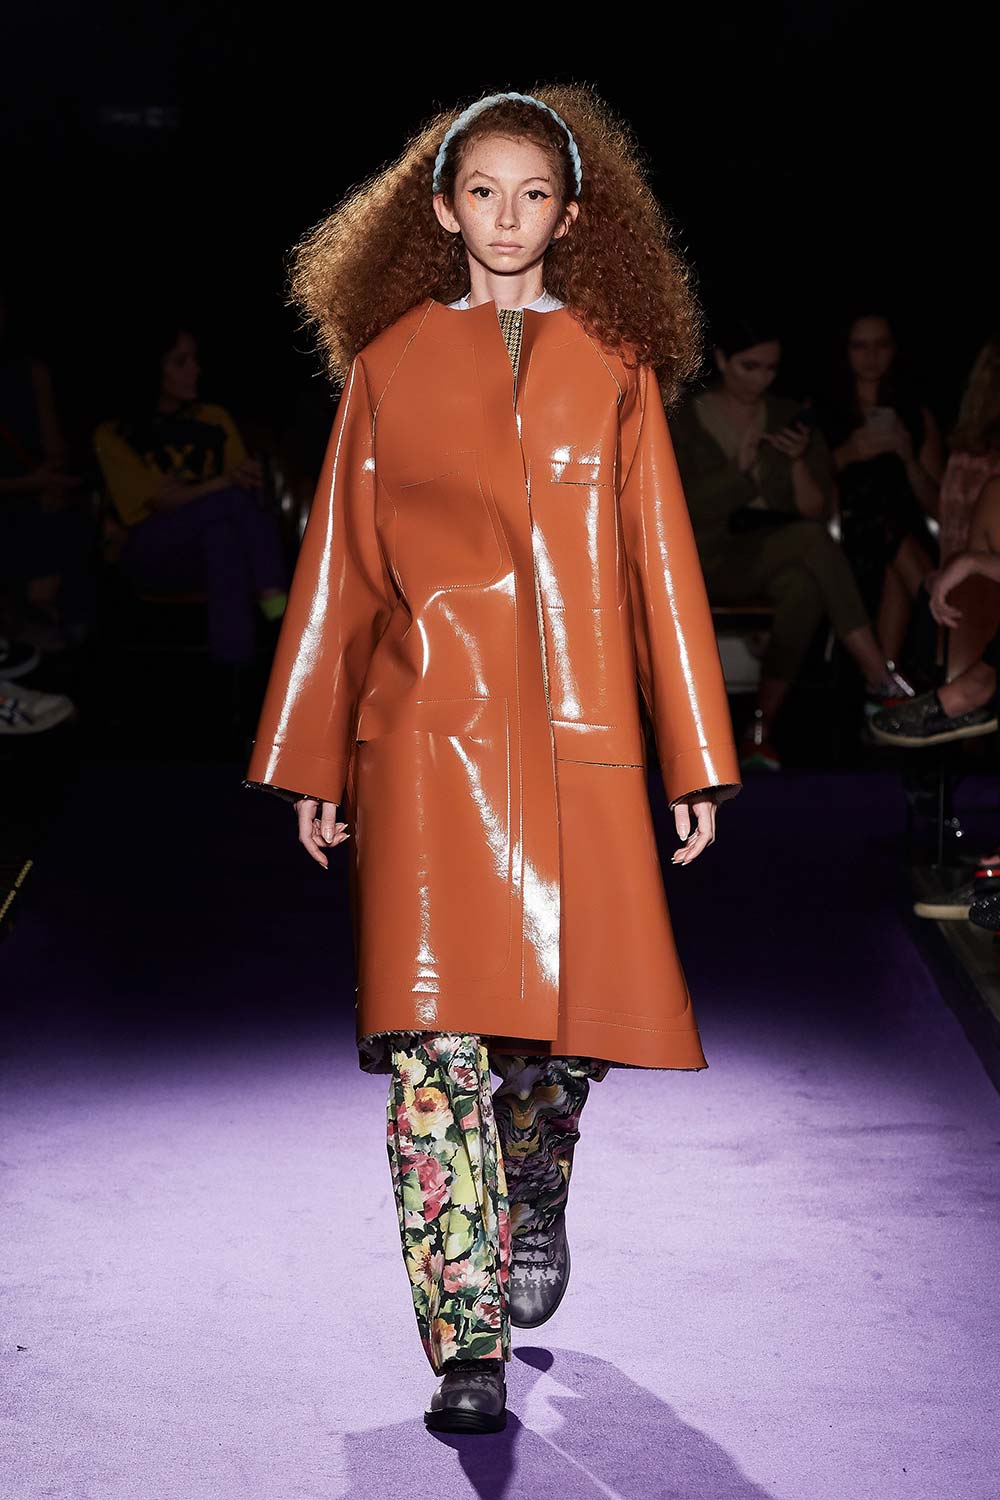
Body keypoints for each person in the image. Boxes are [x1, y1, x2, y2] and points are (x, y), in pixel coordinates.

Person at [242, 87, 742, 1434]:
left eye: (534, 195)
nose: (508, 217)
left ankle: (536, 1185)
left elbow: (659, 566)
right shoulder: (391, 363)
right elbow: (340, 572)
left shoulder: (617, 367)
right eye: (483, 192)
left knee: (555, 1048)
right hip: (424, 740)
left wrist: (695, 756)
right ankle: (464, 1341)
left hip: (582, 739)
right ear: (442, 207)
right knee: (432, 1044)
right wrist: (313, 760)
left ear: (574, 216)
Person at [670, 317, 915, 771]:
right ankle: (880, 678)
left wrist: (799, 461)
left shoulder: (786, 414)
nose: (761, 379)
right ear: (722, 360)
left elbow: (816, 510)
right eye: (750, 367)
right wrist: (742, 471)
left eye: (770, 368)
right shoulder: (685, 418)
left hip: (771, 550)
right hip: (703, 558)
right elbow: (680, 507)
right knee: (808, 551)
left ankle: (759, 730)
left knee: (803, 585)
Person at [92, 325, 289, 666]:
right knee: (229, 504)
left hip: (206, 552)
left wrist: (204, 488)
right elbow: (157, 502)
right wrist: (220, 483)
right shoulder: (112, 434)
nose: (195, 370)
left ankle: (235, 677)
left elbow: (241, 484)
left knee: (222, 538)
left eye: (194, 359)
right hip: (150, 551)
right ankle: (280, 608)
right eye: (180, 362)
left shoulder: (214, 418)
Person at [818, 311, 942, 663]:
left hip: (906, 530)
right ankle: (940, 633)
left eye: (881, 345)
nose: (871, 356)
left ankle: (886, 679)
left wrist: (908, 457)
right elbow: (806, 492)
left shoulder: (915, 414)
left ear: (894, 349)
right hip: (848, 532)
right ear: (845, 351)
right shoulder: (823, 413)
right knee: (888, 537)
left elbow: (938, 506)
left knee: (893, 541)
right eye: (860, 346)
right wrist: (846, 454)